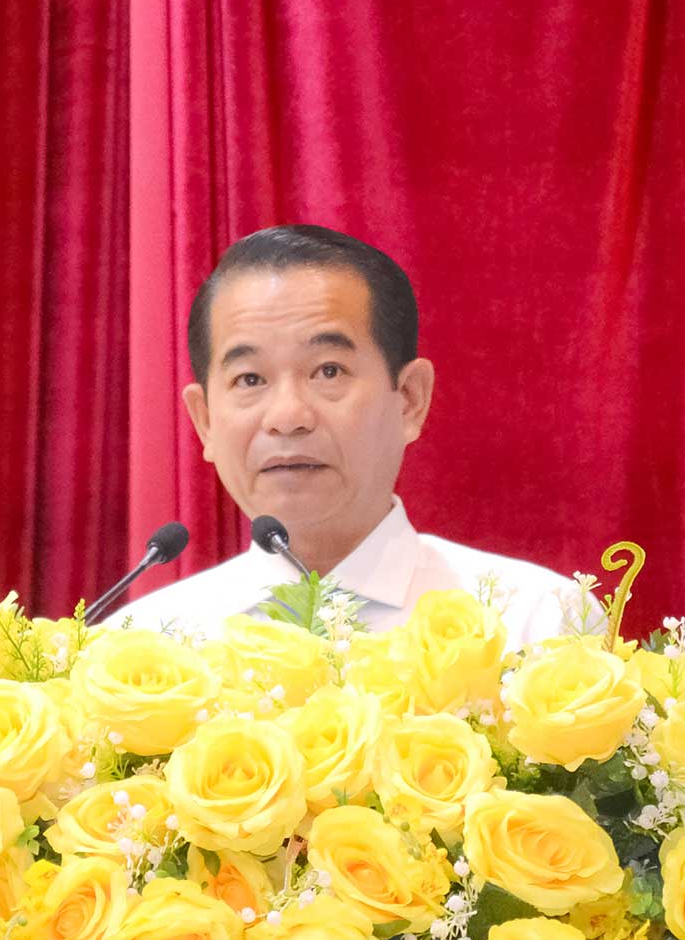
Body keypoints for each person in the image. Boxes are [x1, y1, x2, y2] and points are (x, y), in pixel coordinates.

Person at [114, 224, 578, 647]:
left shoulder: (536, 627)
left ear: (411, 399)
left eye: (328, 371)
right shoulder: (133, 654)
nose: (288, 416)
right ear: (206, 421)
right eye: (250, 379)